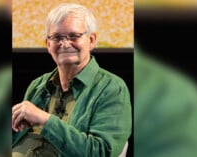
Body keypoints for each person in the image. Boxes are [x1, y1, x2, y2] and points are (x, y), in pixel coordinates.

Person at [12, 3, 132, 157]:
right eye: (56, 37)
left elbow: (101, 151)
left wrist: (45, 119)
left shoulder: (112, 88)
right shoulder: (38, 85)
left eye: (74, 36)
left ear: (91, 40)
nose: (65, 43)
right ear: (48, 44)